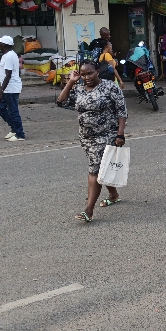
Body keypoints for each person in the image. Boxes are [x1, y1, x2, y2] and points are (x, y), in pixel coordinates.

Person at [56, 62, 128, 222]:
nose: (86, 77)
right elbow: (61, 101)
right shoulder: (79, 88)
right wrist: (71, 81)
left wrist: (120, 134)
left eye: (90, 73)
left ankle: (88, 210)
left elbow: (122, 111)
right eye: (83, 74)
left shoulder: (110, 87)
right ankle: (114, 195)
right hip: (86, 137)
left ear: (97, 71)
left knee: (95, 170)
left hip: (107, 134)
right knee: (102, 167)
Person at [0, 35, 25, 141]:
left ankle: (20, 134)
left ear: (4, 45)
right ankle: (14, 128)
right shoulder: (8, 55)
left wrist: (1, 91)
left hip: (10, 88)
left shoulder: (9, 56)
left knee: (13, 111)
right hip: (8, 88)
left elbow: (8, 75)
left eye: (0, 43)